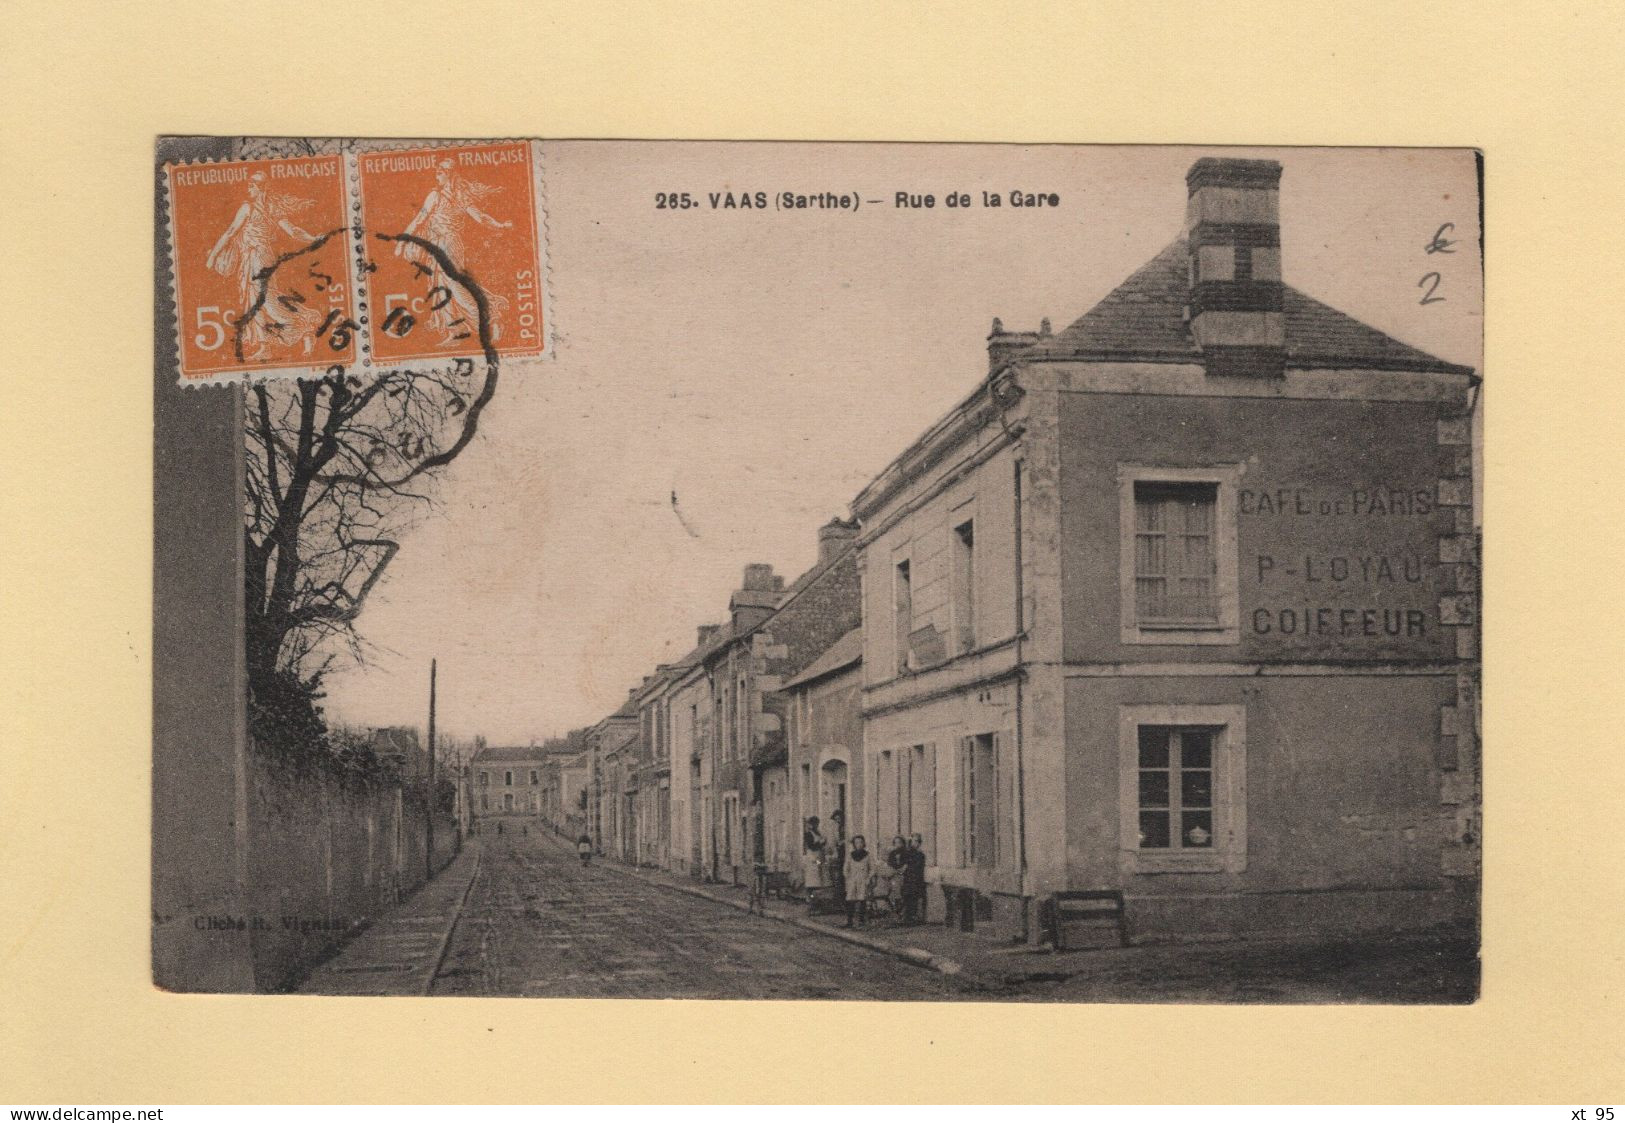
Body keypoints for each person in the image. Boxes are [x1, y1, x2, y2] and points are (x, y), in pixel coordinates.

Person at [843, 834, 874, 928]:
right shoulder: (850, 855)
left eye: (861, 842)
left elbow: (872, 868)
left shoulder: (867, 855)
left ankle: (861, 921)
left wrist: (868, 877)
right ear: (854, 844)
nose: (859, 844)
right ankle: (849, 921)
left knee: (862, 899)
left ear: (864, 843)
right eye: (856, 843)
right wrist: (847, 877)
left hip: (863, 879)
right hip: (852, 879)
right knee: (850, 899)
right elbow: (845, 868)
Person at [901, 833, 928, 925]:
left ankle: (915, 918)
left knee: (917, 898)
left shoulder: (921, 855)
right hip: (909, 880)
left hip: (918, 879)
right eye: (915, 841)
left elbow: (921, 868)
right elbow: (904, 867)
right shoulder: (907, 853)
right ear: (911, 842)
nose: (917, 843)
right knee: (909, 898)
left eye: (919, 841)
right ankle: (908, 918)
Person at [801, 816, 826, 895]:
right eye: (813, 824)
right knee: (813, 875)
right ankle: (810, 896)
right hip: (812, 856)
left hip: (819, 854)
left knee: (819, 874)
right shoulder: (808, 834)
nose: (815, 826)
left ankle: (817, 896)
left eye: (816, 824)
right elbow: (811, 846)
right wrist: (821, 843)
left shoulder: (818, 833)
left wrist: (824, 842)